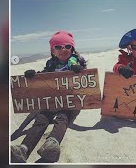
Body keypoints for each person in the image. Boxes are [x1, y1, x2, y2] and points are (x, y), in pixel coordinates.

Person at [11, 30, 87, 163]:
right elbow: (45, 76)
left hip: (69, 101)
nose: (63, 49)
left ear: (72, 49)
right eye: (58, 47)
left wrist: (77, 69)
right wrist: (33, 76)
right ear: (53, 51)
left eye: (67, 46)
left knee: (62, 118)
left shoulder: (73, 61)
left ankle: (52, 143)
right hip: (52, 100)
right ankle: (24, 148)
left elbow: (75, 67)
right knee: (41, 118)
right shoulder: (51, 64)